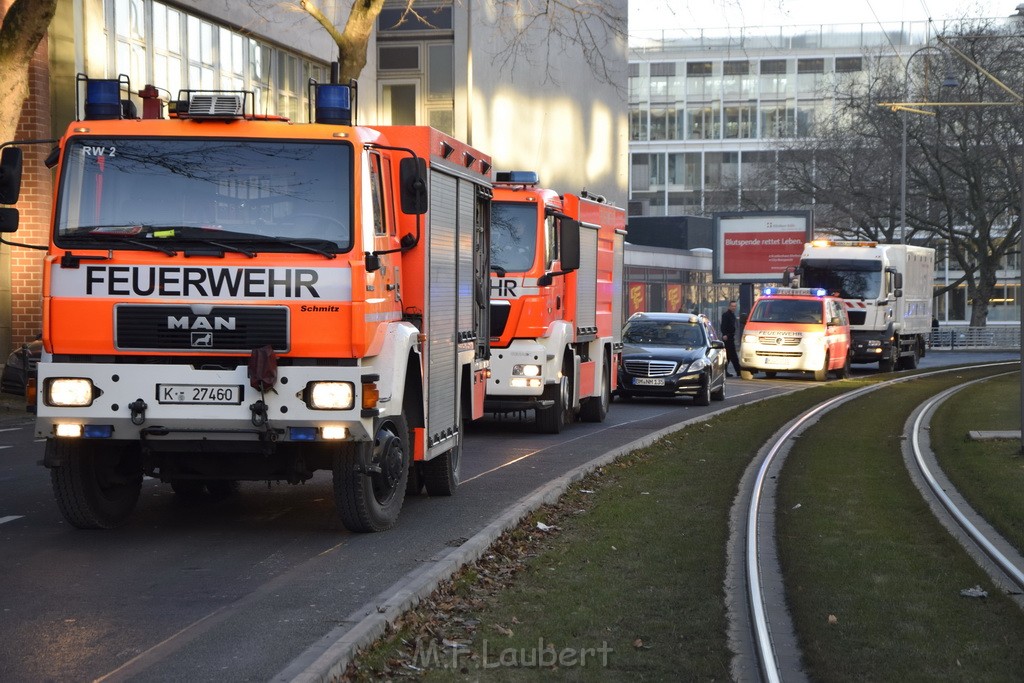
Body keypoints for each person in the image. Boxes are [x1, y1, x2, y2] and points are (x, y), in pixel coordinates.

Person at [720, 300, 742, 377]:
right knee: (733, 355)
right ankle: (739, 371)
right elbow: (723, 326)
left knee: (728, 356)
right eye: (732, 306)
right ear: (729, 306)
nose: (733, 308)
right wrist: (724, 334)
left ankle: (724, 371)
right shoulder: (726, 315)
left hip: (731, 336)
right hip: (727, 337)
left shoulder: (732, 315)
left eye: (735, 306)